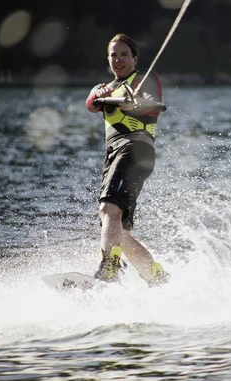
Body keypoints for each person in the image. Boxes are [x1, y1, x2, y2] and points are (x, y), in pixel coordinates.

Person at [85, 33, 169, 287]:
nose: (118, 60)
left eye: (124, 54)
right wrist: (104, 96)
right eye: (114, 55)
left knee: (109, 208)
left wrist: (135, 104)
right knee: (118, 229)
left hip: (135, 148)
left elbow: (154, 106)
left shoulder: (143, 80)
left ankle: (109, 269)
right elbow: (91, 103)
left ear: (134, 58)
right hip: (114, 154)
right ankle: (156, 277)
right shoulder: (104, 87)